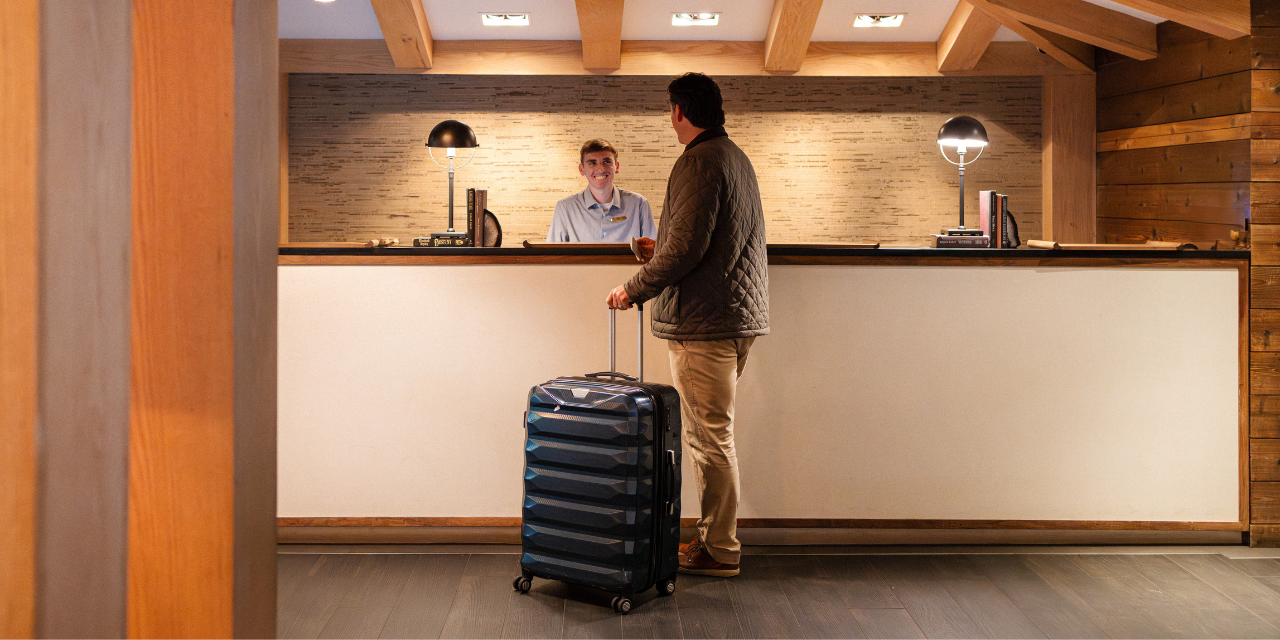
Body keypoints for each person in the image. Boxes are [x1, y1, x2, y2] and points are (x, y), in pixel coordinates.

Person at [605, 73, 769, 578]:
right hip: (736, 318)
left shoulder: (698, 160)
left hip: (704, 324)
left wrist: (633, 288)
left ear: (679, 111)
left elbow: (685, 249)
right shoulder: (735, 158)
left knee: (710, 439)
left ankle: (719, 548)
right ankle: (715, 540)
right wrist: (668, 250)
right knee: (715, 435)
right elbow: (712, 240)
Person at [546, 139, 655, 242]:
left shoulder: (639, 204)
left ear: (616, 167)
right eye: (592, 163)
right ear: (581, 169)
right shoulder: (565, 208)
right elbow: (552, 257)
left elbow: (654, 252)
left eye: (607, 161)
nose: (601, 169)